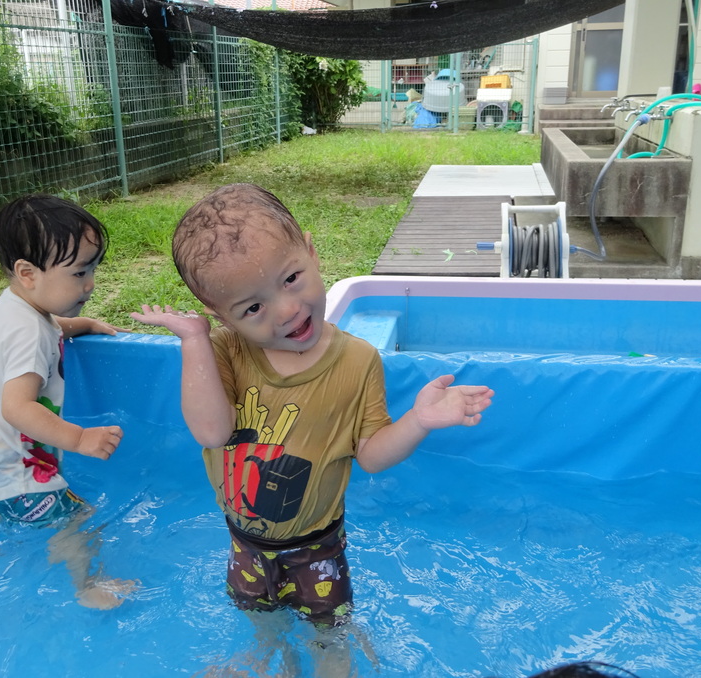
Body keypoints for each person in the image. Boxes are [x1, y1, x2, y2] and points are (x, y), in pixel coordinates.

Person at [130, 182, 494, 626]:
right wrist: (194, 341)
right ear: (221, 315)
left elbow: (371, 456)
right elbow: (212, 432)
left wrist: (418, 420)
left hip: (317, 548)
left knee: (330, 628)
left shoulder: (356, 361)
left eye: (290, 279)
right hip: (244, 542)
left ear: (311, 252)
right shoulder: (224, 351)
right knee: (256, 617)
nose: (286, 310)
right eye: (252, 308)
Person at [0, 193, 135, 609]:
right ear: (28, 273)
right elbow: (17, 408)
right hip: (15, 471)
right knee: (77, 517)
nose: (90, 283)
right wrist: (80, 438)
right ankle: (87, 587)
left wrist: (79, 324)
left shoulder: (17, 309)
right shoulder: (28, 334)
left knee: (27, 509)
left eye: (93, 269)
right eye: (79, 273)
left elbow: (47, 326)